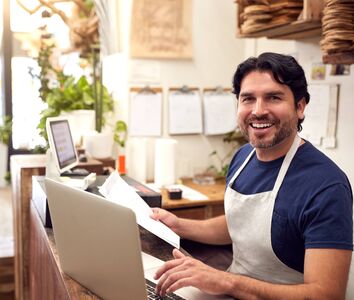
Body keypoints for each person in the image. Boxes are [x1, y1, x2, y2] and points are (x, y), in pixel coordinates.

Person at [151, 52, 353, 299]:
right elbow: (240, 224)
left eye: (273, 98)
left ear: (300, 107)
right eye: (248, 99)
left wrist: (227, 282)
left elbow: (326, 295)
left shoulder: (326, 186)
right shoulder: (242, 158)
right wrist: (179, 225)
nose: (258, 111)